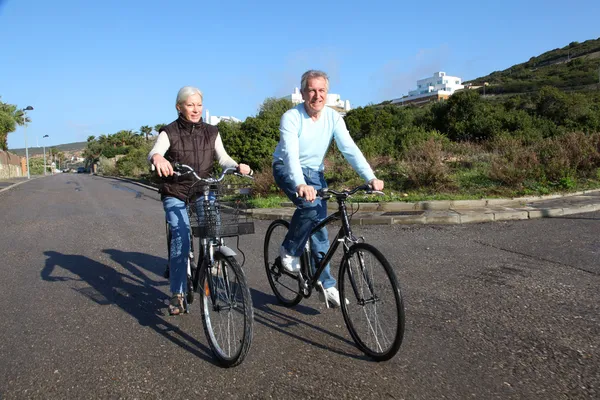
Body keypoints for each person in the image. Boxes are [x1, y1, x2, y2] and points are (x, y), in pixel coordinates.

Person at [272, 70, 384, 307]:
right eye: (311, 90)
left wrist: (370, 177)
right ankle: (289, 250)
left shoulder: (333, 118)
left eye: (321, 90)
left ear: (327, 93)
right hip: (287, 168)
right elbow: (291, 154)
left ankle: (327, 283)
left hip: (315, 172)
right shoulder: (291, 117)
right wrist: (300, 183)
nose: (317, 95)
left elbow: (350, 149)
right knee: (310, 206)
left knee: (321, 230)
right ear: (303, 93)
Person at [148, 86, 251, 315]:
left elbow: (223, 158)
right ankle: (177, 293)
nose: (195, 109)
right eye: (190, 105)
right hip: (175, 190)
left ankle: (212, 260)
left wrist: (236, 166)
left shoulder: (212, 131)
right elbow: (155, 152)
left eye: (199, 105)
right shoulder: (169, 132)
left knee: (214, 227)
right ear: (179, 107)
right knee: (181, 238)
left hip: (201, 189)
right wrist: (158, 158)